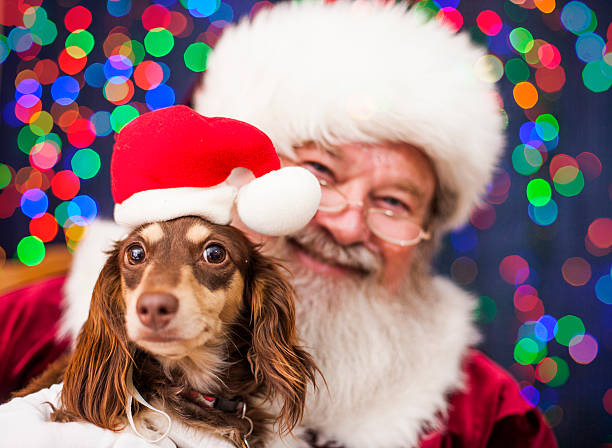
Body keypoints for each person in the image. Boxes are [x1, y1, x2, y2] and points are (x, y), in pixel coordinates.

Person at [0, 1, 557, 447]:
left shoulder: (488, 414)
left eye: (393, 202)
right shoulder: (37, 323)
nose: (346, 225)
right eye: (319, 172)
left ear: (425, 237)